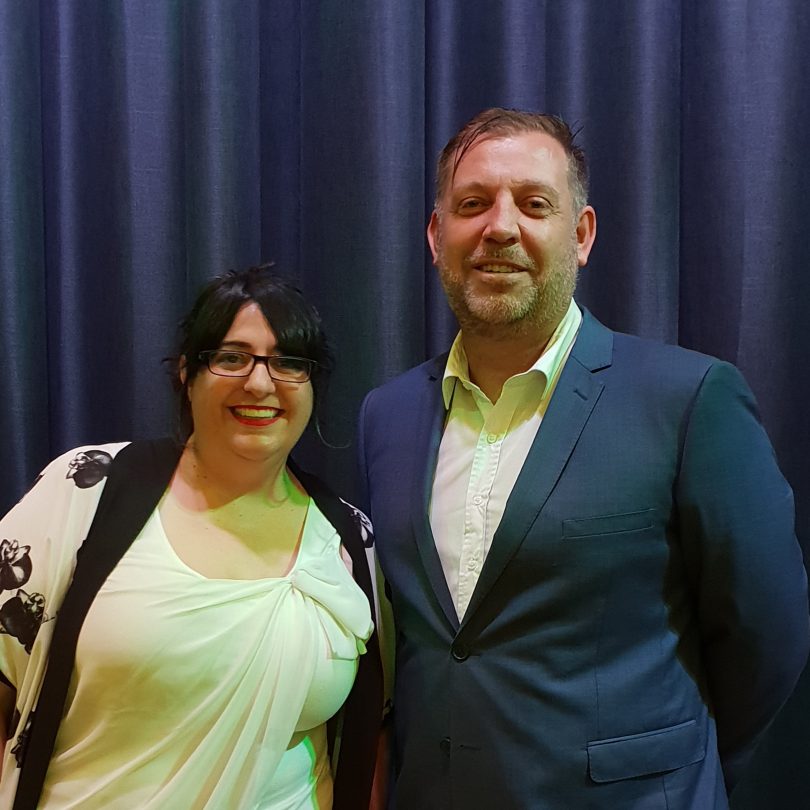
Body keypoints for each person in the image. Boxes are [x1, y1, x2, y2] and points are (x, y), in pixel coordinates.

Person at [356, 108, 809, 809]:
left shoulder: (689, 400)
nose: (500, 228)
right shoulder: (385, 417)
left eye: (534, 204)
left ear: (582, 233)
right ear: (436, 235)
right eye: (472, 204)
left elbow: (766, 638)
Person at [0, 266, 383, 809]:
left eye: (287, 362)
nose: (259, 382)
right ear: (187, 373)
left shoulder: (349, 539)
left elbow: (371, 737)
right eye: (231, 357)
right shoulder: (87, 489)